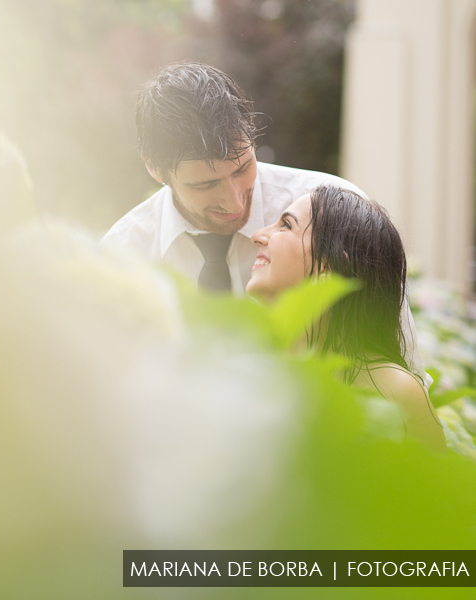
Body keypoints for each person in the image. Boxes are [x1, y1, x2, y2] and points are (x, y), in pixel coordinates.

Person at [101, 61, 428, 382]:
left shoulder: (331, 210)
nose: (233, 200)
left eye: (242, 168)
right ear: (155, 169)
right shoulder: (123, 256)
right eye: (204, 185)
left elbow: (402, 371)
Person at [247, 185, 445, 451]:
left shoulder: (395, 391)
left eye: (286, 225)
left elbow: (430, 489)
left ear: (330, 266)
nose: (257, 236)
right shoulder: (251, 372)